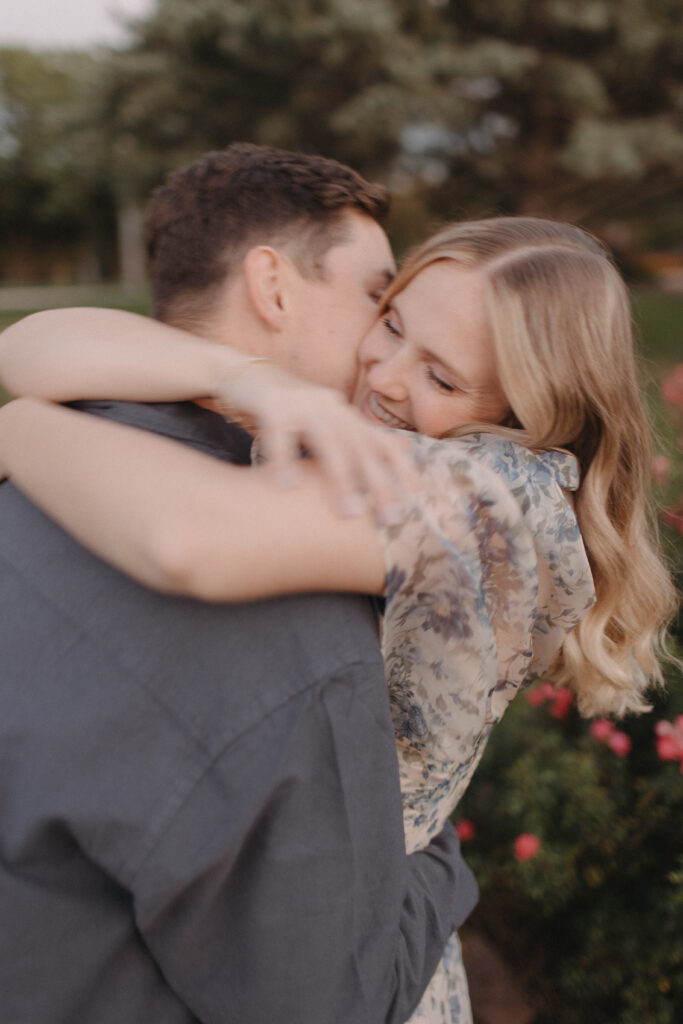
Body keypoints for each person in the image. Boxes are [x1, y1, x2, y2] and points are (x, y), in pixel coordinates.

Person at [1, 215, 677, 1024]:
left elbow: (187, 541)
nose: (382, 374)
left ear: (529, 412)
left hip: (351, 946)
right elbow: (30, 344)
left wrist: (20, 426)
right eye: (390, 321)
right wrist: (245, 375)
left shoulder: (496, 502)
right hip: (260, 875)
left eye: (441, 376)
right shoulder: (386, 426)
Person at [0, 144, 481, 1024]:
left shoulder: (42, 470)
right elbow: (336, 1001)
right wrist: (433, 831)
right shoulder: (295, 631)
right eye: (379, 298)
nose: (385, 347)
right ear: (272, 286)